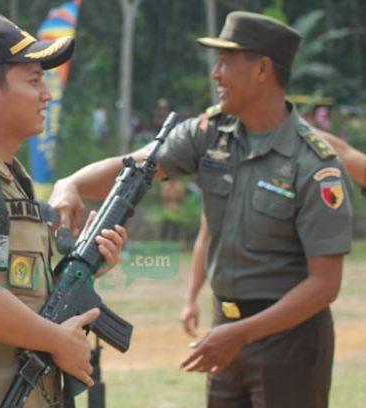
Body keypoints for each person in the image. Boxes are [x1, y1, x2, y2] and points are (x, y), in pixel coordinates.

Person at [49, 11, 353, 408]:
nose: (215, 74)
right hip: (224, 332)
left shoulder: (314, 165)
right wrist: (70, 183)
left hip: (288, 342)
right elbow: (136, 165)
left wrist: (241, 333)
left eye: (227, 61)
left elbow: (324, 285)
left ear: (262, 69)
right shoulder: (209, 137)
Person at [0, 15, 128, 407]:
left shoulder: (7, 179)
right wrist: (59, 343)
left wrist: (84, 270)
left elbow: (17, 288)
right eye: (33, 81)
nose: (46, 94)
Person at [181, 129, 366, 338]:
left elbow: (349, 157)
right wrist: (190, 298)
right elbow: (208, 233)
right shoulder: (227, 149)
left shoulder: (297, 141)